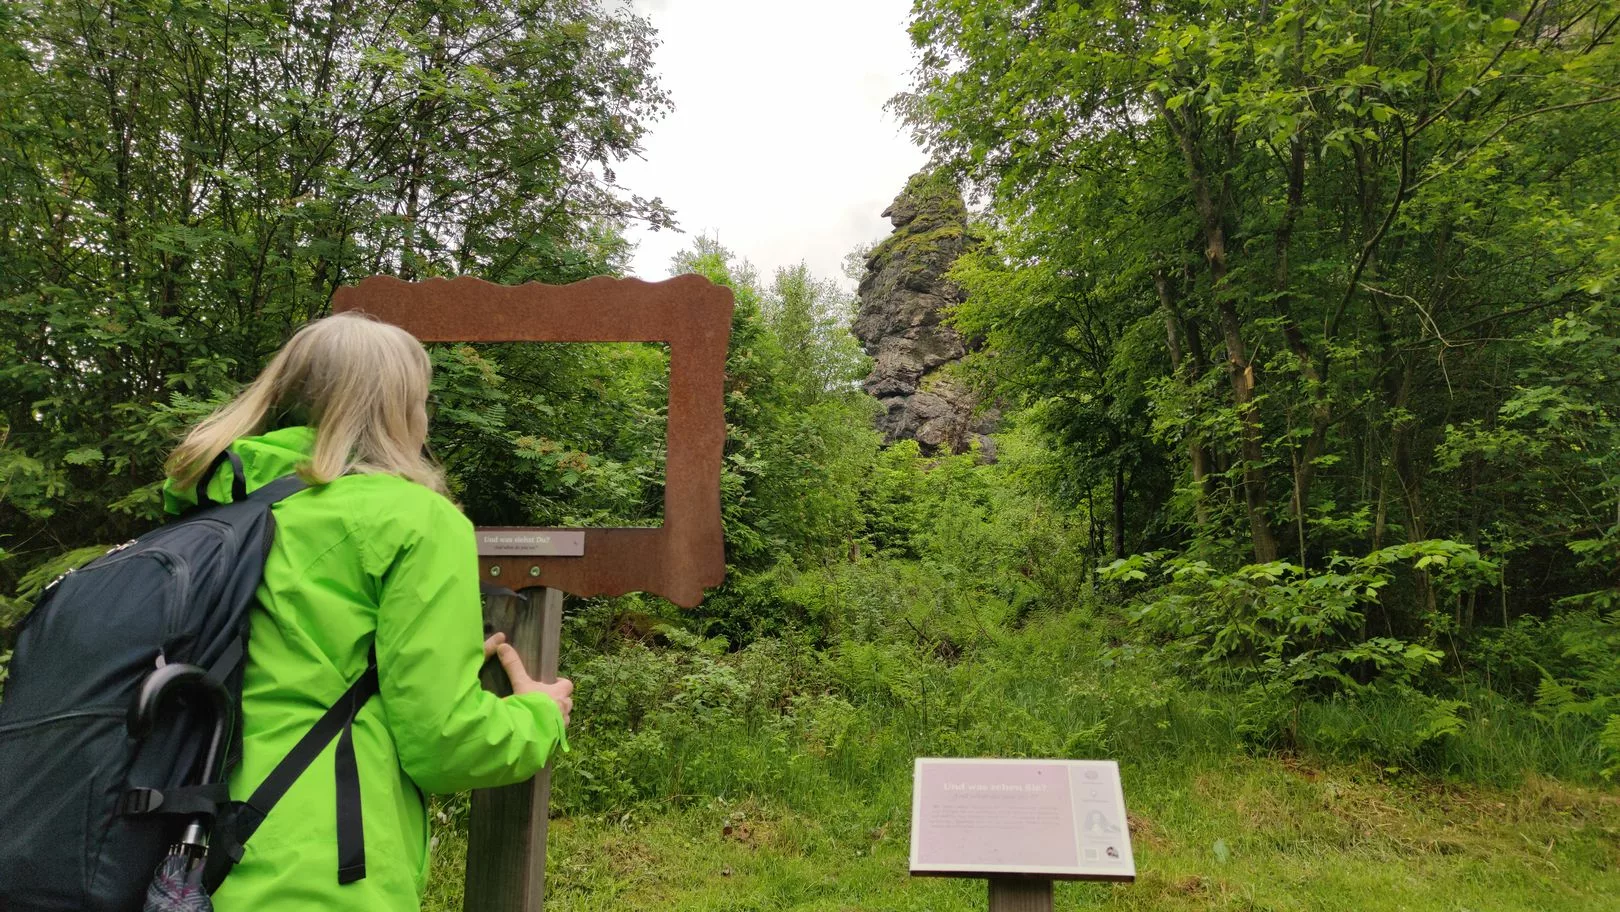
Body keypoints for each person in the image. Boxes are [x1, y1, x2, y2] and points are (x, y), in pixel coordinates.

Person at [161, 311, 574, 910]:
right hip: (317, 873)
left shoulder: (212, 503)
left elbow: (285, 660)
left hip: (180, 848)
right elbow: (445, 743)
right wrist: (538, 717)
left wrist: (424, 656)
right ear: (399, 411)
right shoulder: (413, 519)